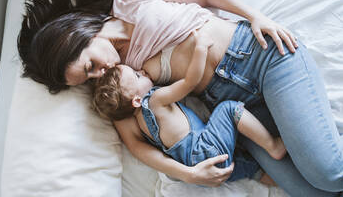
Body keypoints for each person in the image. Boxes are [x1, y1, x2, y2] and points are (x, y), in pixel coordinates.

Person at [18, 0, 343, 196]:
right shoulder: (122, 81)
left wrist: (256, 16)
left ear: (80, 34)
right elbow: (136, 144)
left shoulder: (132, 0)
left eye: (89, 66)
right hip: (240, 111)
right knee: (313, 191)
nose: (97, 75)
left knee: (328, 174)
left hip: (261, 58)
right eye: (88, 80)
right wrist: (187, 174)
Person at [91, 30, 286, 185]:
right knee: (229, 109)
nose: (141, 70)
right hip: (205, 149)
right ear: (135, 100)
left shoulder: (141, 125)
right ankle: (273, 146)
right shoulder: (154, 101)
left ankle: (281, 183)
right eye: (137, 76)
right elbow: (190, 82)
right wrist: (200, 48)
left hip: (197, 165)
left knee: (254, 171)